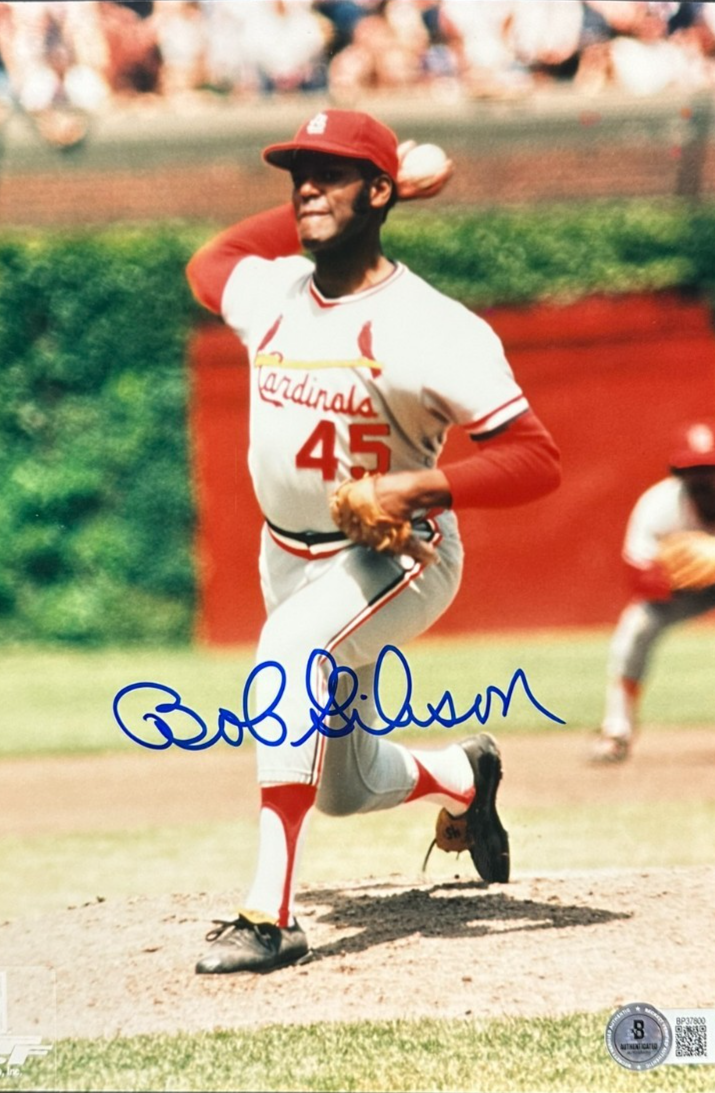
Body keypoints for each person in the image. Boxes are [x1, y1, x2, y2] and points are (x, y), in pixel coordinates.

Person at [185, 108, 561, 974]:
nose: (306, 188)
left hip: (398, 553)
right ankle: (464, 775)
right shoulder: (273, 292)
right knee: (345, 786)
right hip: (289, 555)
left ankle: (269, 916)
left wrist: (411, 486)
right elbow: (210, 262)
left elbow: (535, 458)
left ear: (379, 192)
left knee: (289, 648)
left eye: (332, 174)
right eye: (298, 176)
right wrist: (343, 204)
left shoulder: (433, 325)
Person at [592, 420, 715, 763]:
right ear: (679, 473)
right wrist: (682, 572)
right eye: (693, 470)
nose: (703, 478)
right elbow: (639, 577)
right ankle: (616, 730)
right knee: (637, 625)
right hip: (686, 591)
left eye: (713, 468)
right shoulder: (659, 505)